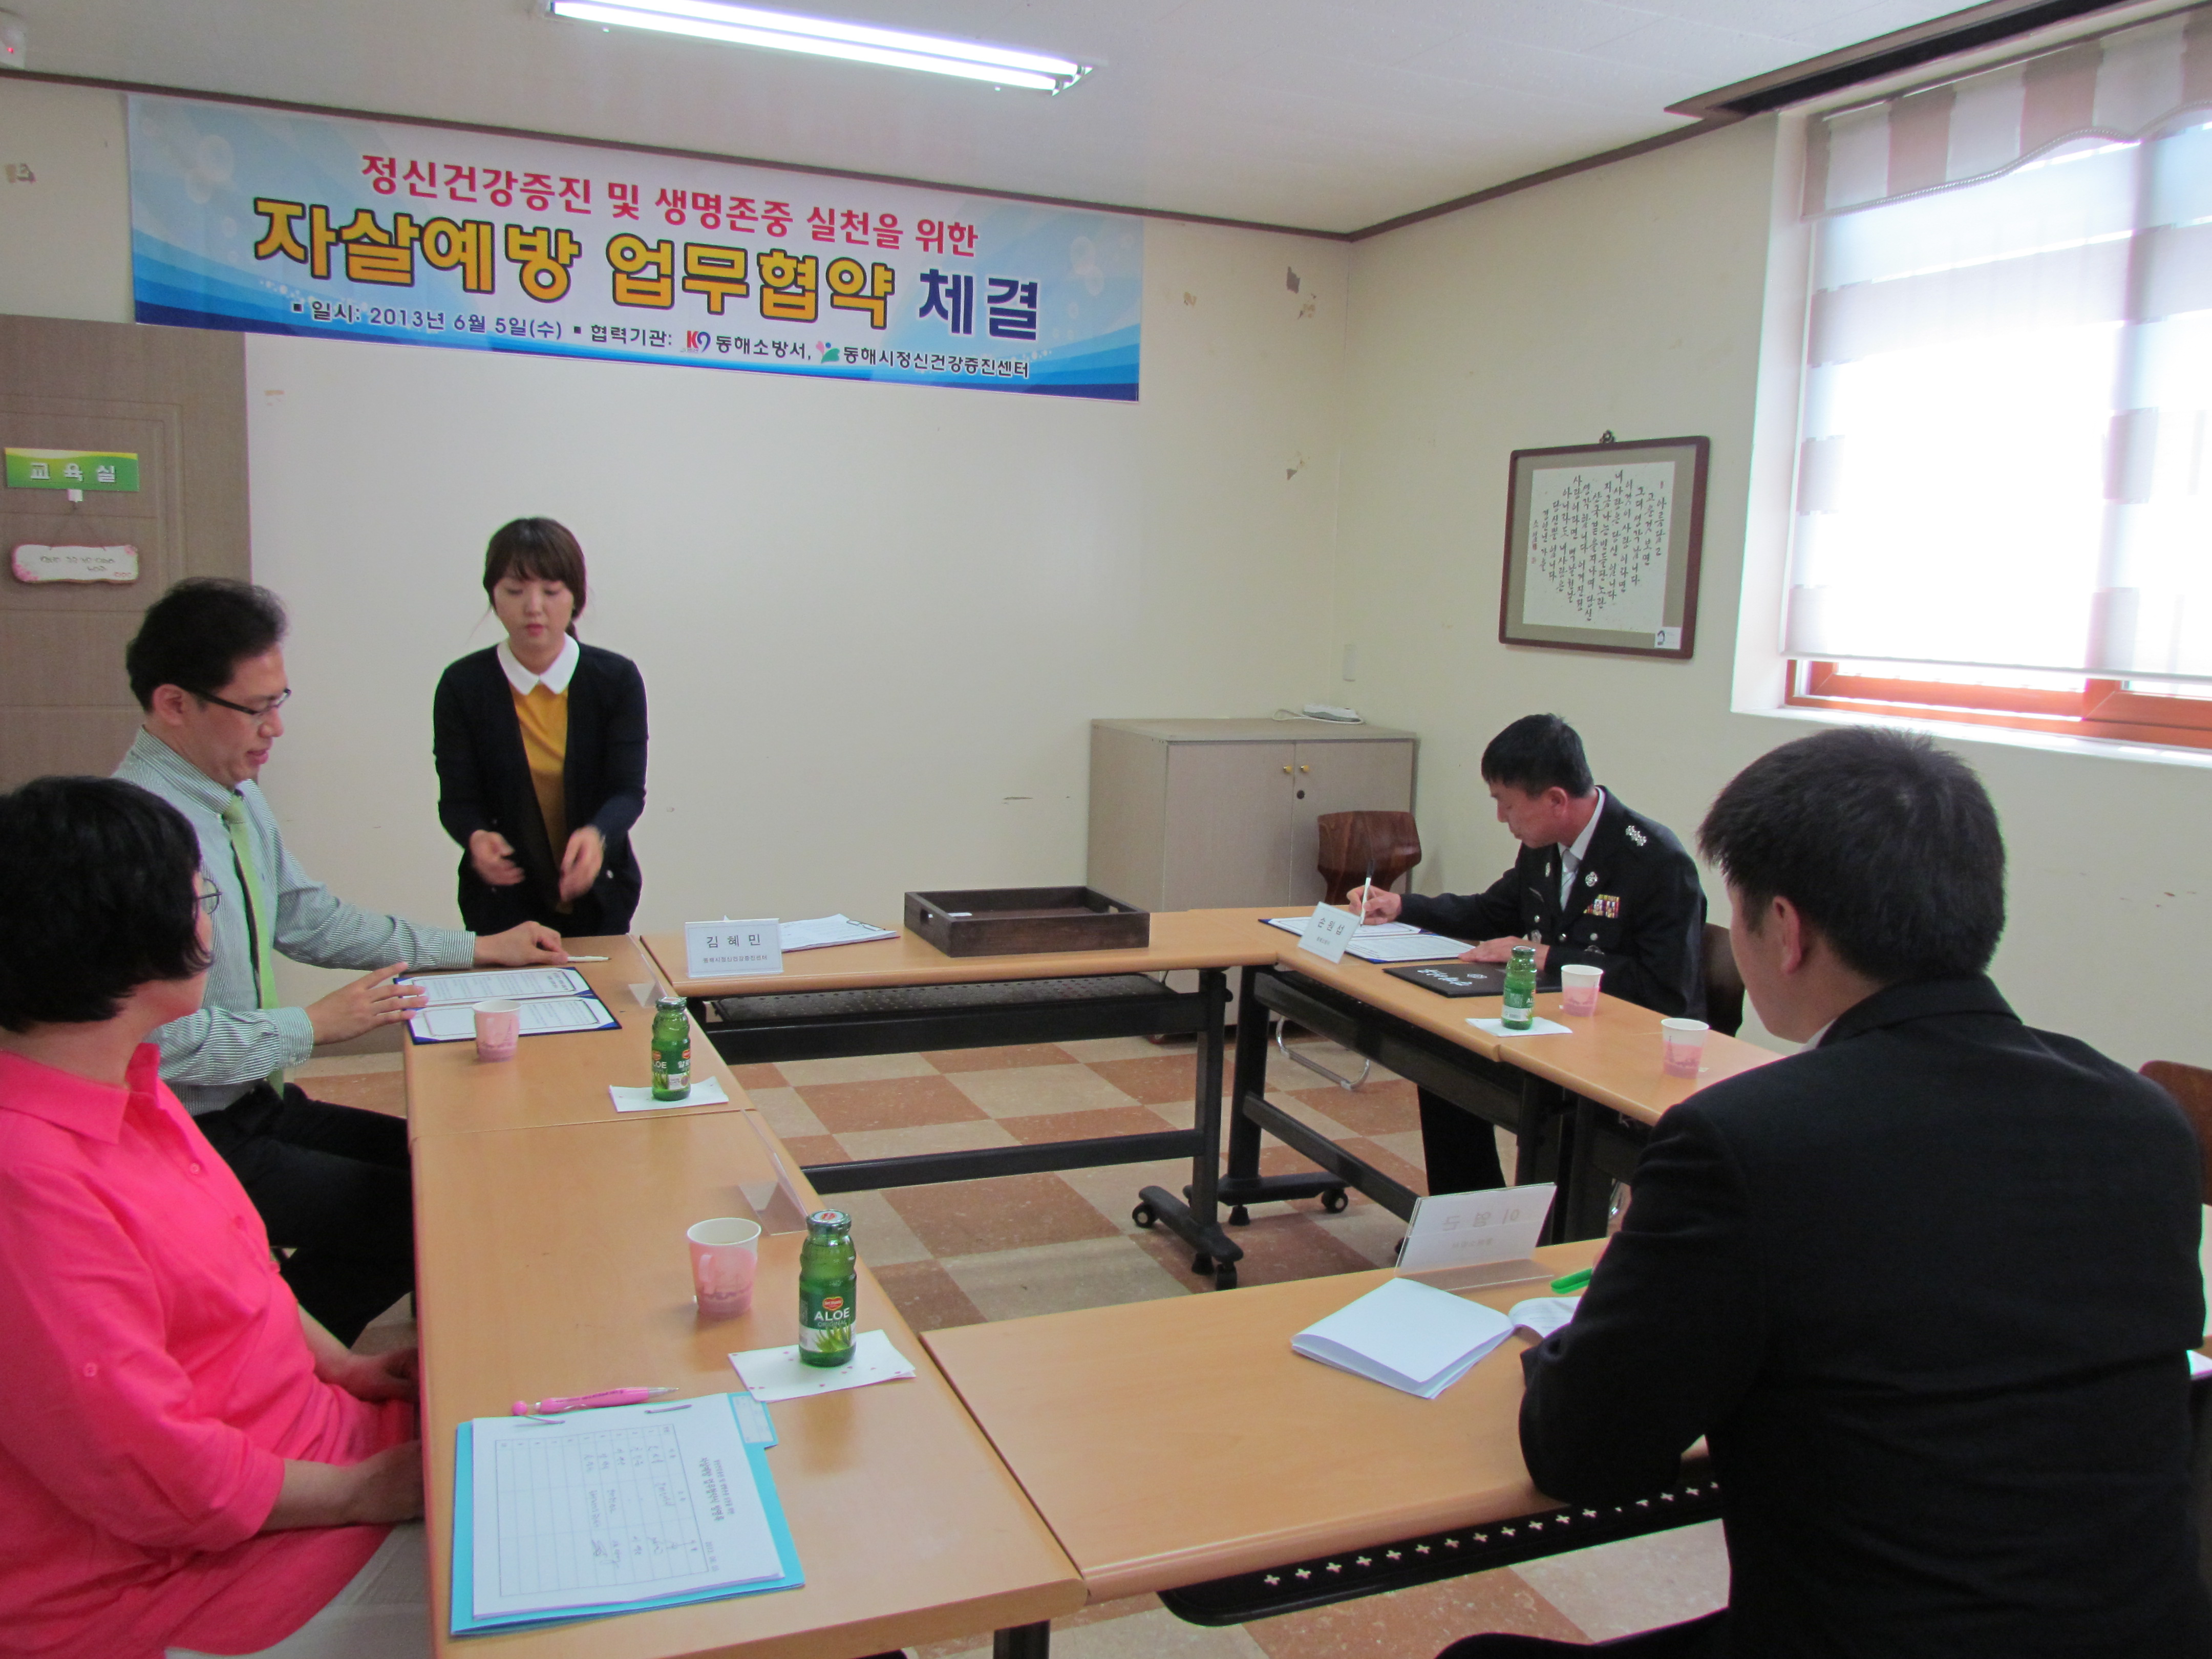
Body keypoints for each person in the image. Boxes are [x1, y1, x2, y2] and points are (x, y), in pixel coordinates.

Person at [1445, 729, 2211, 1658]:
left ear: (1787, 929)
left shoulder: (1746, 1142)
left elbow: (1580, 1451)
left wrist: (1601, 1302)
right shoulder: (2145, 1124)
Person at [0, 776, 427, 1659]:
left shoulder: (130, 1085)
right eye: (201, 900)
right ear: (123, 938)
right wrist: (364, 1492)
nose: (211, 921)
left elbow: (245, 1270)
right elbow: (156, 1477)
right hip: (199, 1577)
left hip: (313, 1461)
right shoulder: (28, 1183)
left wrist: (345, 1367)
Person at [115, 578, 567, 1345]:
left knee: (449, 1169)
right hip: (189, 1132)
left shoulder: (232, 795)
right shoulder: (138, 836)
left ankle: (289, 1344)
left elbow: (308, 918)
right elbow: (154, 1042)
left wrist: (475, 948)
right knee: (421, 1214)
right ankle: (269, 1364)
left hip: (254, 1101)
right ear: (174, 704)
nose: (276, 728)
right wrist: (313, 1026)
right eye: (255, 709)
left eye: (280, 701)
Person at [1357, 714, 1705, 1194]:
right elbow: (1491, 912)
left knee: (1547, 1109)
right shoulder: (1546, 844)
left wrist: (1547, 957)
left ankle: (1552, 1227)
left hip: (1623, 1048)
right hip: (1553, 1025)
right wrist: (1401, 906)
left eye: (1507, 803)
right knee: (1445, 1064)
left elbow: (1665, 990)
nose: (1502, 818)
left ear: (1556, 800)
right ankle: (1471, 1213)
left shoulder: (1654, 862)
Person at [433, 517, 648, 937]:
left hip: (600, 897)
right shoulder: (463, 686)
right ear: (493, 596)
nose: (533, 607)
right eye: (515, 591)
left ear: (575, 597)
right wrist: (476, 838)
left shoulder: (615, 679)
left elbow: (627, 791)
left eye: (550, 591)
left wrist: (598, 835)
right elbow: (457, 800)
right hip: (500, 905)